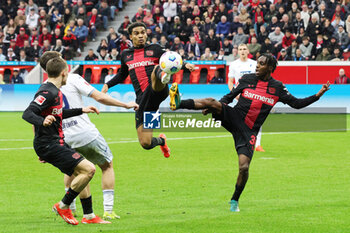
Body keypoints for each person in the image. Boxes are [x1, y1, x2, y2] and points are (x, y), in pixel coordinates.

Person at [169, 53, 330, 212]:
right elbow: (230, 96)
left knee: (244, 167)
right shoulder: (247, 79)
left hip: (249, 131)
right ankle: (178, 102)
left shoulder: (278, 88)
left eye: (261, 64)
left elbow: (296, 104)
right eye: (257, 63)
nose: (257, 66)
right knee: (211, 101)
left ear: (271, 67)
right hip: (234, 117)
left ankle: (234, 200)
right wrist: (213, 108)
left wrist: (319, 94)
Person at [39, 51, 138, 220]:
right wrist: (125, 105)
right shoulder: (73, 78)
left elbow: (41, 118)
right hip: (85, 133)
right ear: (59, 64)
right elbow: (99, 96)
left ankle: (72, 208)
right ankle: (108, 209)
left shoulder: (44, 88)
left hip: (63, 138)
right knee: (107, 165)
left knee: (76, 171)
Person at [22, 57, 110, 225]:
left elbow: (58, 113)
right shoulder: (48, 92)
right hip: (49, 144)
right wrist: (42, 121)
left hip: (54, 142)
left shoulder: (55, 91)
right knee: (89, 170)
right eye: (67, 74)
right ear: (63, 73)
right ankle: (64, 205)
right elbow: (27, 113)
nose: (67, 77)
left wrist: (81, 110)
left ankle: (89, 216)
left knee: (81, 172)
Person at [102, 22, 195, 157]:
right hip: (144, 102)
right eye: (137, 33)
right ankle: (161, 141)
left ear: (146, 34)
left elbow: (171, 59)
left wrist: (186, 65)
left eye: (143, 32)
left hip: (158, 91)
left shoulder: (155, 49)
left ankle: (164, 76)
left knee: (158, 68)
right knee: (146, 143)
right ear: (130, 36)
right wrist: (107, 85)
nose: (141, 36)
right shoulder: (126, 55)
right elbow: (122, 74)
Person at [227, 44, 264, 152]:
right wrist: (235, 94)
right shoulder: (234, 65)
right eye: (240, 49)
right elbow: (230, 81)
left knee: (257, 119)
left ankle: (257, 144)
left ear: (248, 51)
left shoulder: (254, 64)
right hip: (240, 96)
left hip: (254, 96)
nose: (242, 51)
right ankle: (243, 142)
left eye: (244, 49)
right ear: (237, 52)